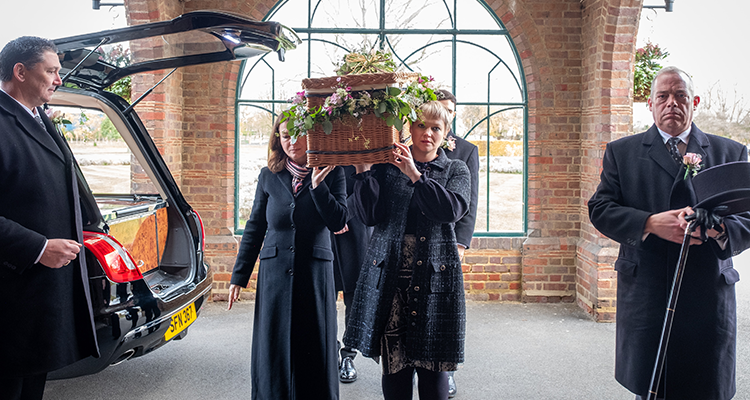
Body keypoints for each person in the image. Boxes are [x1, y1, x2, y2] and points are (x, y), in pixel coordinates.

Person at [588, 66, 750, 400]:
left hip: (708, 293)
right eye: (662, 96)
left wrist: (719, 230)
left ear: (695, 102)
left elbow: (747, 219)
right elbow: (600, 209)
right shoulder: (622, 152)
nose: (671, 103)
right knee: (653, 385)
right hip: (648, 292)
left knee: (704, 386)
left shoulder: (730, 153)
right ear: (649, 104)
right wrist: (649, 223)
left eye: (680, 95)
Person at [343, 101, 470, 400]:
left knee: (433, 370)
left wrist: (416, 175)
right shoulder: (388, 169)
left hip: (435, 280)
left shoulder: (456, 169)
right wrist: (363, 172)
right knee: (395, 367)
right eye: (421, 126)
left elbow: (450, 209)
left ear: (445, 134)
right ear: (409, 129)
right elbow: (370, 216)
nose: (428, 133)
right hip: (391, 279)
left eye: (436, 128)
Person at [0, 36, 99, 399]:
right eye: (52, 70)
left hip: (39, 296)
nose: (59, 79)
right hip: (10, 294)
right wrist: (38, 247)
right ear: (20, 71)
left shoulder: (40, 118)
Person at [227, 115, 347, 400]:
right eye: (284, 135)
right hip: (275, 272)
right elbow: (255, 226)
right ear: (277, 139)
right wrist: (238, 276)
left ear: (314, 135)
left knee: (315, 343)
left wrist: (319, 187)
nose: (292, 141)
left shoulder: (334, 172)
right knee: (274, 344)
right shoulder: (268, 175)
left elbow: (338, 220)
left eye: (299, 133)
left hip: (314, 272)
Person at [437, 89, 479, 398]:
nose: (445, 114)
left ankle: (447, 372)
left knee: (447, 310)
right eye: (439, 108)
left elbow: (470, 202)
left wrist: (461, 244)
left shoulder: (466, 150)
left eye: (450, 110)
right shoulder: (413, 144)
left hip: (450, 241)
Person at [331, 165, 374, 383]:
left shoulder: (360, 146)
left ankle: (348, 355)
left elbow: (367, 185)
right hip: (325, 228)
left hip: (354, 229)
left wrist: (341, 214)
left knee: (353, 300)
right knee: (324, 299)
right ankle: (330, 353)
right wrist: (331, 215)